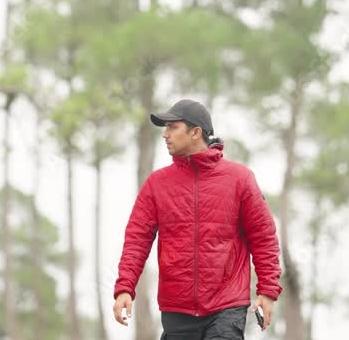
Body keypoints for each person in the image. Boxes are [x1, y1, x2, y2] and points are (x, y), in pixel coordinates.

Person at [111, 99, 283, 339]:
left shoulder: (240, 179)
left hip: (227, 306)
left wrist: (267, 291)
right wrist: (125, 288)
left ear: (195, 132)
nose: (165, 134)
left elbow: (264, 238)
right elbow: (136, 240)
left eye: (173, 127)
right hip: (176, 309)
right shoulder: (156, 184)